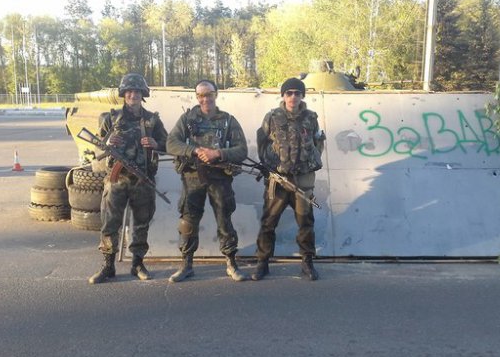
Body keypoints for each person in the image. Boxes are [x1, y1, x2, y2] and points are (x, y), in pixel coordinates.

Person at [89, 73, 168, 284]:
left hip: (143, 180)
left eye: (137, 92)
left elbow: (168, 144)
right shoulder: (110, 118)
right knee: (109, 223)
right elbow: (96, 149)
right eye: (130, 91)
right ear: (124, 94)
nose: (133, 95)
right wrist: (108, 140)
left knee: (141, 223)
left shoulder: (152, 120)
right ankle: (108, 265)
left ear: (143, 94)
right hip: (116, 181)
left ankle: (138, 263)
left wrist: (154, 142)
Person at [166, 79, 249, 282]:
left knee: (224, 220)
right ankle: (186, 265)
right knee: (188, 222)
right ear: (197, 97)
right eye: (201, 95)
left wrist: (218, 153)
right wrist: (193, 150)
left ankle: (231, 263)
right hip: (193, 177)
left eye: (209, 94)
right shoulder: (187, 119)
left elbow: (242, 150)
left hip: (220, 178)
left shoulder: (228, 120)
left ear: (216, 94)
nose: (205, 99)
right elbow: (171, 143)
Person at [253, 77, 325, 281]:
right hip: (278, 181)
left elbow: (318, 143)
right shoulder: (272, 117)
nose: (293, 96)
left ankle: (307, 263)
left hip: (303, 180)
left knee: (305, 223)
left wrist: (312, 163)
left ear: (302, 95)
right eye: (289, 93)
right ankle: (262, 262)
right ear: (283, 95)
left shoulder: (311, 118)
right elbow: (262, 144)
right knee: (269, 222)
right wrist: (270, 168)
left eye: (297, 93)